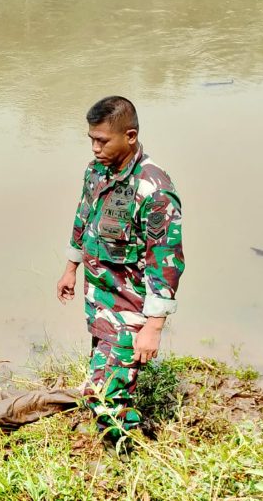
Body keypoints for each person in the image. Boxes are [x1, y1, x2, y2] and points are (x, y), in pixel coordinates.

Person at [55, 96, 185, 443]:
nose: (95, 148)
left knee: (105, 392)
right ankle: (124, 433)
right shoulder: (96, 171)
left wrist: (154, 326)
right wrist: (71, 268)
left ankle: (121, 456)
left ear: (130, 136)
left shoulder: (154, 190)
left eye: (102, 140)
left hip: (130, 308)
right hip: (99, 298)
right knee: (109, 380)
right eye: (91, 140)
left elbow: (166, 260)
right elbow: (83, 216)